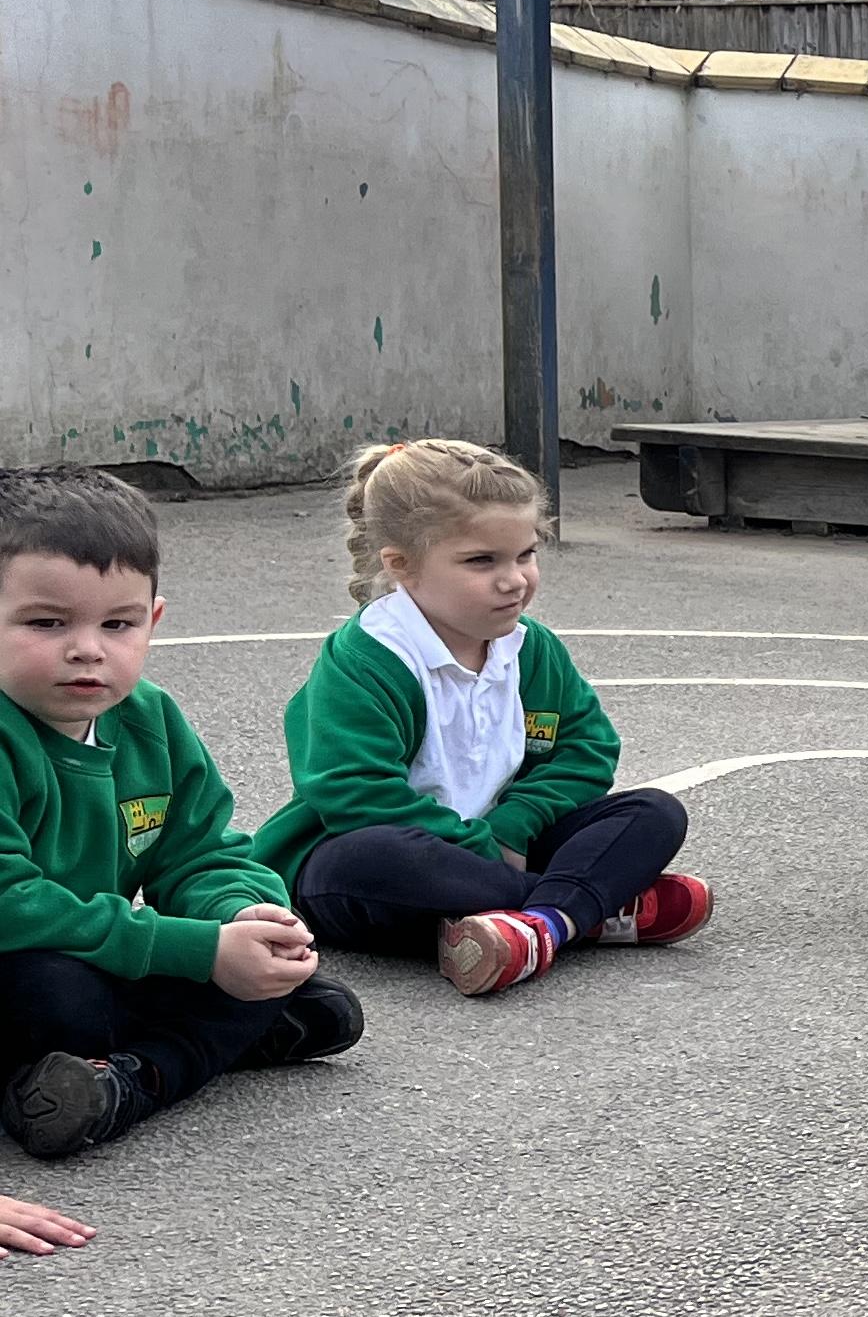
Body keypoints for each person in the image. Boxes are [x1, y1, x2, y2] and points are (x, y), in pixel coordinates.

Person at [258, 437, 707, 997]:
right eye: (482, 561)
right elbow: (355, 793)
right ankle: (583, 908)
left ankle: (532, 927)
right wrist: (482, 848)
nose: (514, 579)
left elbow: (587, 750)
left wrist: (514, 825)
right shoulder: (367, 659)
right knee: (372, 860)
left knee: (655, 812)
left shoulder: (530, 648)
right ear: (402, 566)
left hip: (503, 844)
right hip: (393, 864)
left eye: (526, 554)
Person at [0, 468, 360, 1162]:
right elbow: (10, 902)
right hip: (24, 966)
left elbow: (201, 853)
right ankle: (155, 1069)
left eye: (118, 624)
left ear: (153, 621)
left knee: (295, 987)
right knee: (59, 999)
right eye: (47, 623)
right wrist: (198, 953)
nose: (88, 648)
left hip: (96, 951)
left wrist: (242, 914)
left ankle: (110, 1082)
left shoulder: (150, 719)